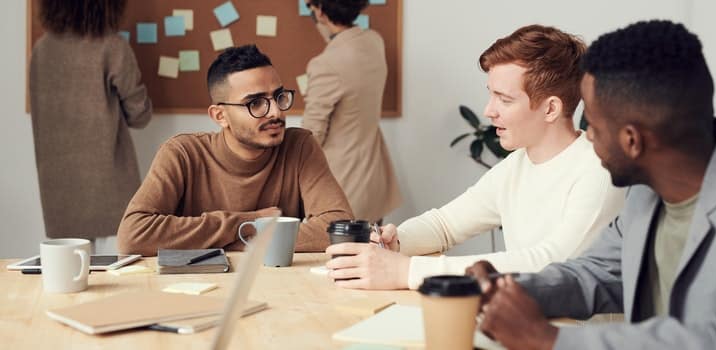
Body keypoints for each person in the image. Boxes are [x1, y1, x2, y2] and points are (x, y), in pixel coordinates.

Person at [468, 20, 716, 350]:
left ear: (632, 140)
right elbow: (596, 274)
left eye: (594, 124)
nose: (590, 135)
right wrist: (509, 290)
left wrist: (548, 339)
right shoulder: (647, 190)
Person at [325, 25, 626, 290]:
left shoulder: (598, 171)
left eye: (504, 99)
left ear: (550, 109)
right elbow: (445, 225)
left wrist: (408, 271)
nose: (488, 111)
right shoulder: (518, 165)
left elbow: (551, 266)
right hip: (521, 326)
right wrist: (397, 240)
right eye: (491, 94)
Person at [117, 45, 353, 256]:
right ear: (220, 116)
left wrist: (231, 241)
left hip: (279, 286)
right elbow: (133, 235)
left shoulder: (300, 146)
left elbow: (339, 227)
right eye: (256, 103)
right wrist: (252, 221)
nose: (276, 112)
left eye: (278, 97)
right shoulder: (182, 153)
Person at [29, 0, 152, 254]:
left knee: (70, 270)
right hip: (110, 178)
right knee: (122, 268)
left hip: (58, 179)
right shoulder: (112, 45)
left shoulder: (42, 49)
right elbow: (140, 115)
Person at [302, 0, 402, 223]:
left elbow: (311, 136)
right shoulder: (373, 42)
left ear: (320, 10)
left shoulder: (325, 64)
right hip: (374, 182)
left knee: (338, 256)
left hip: (342, 185)